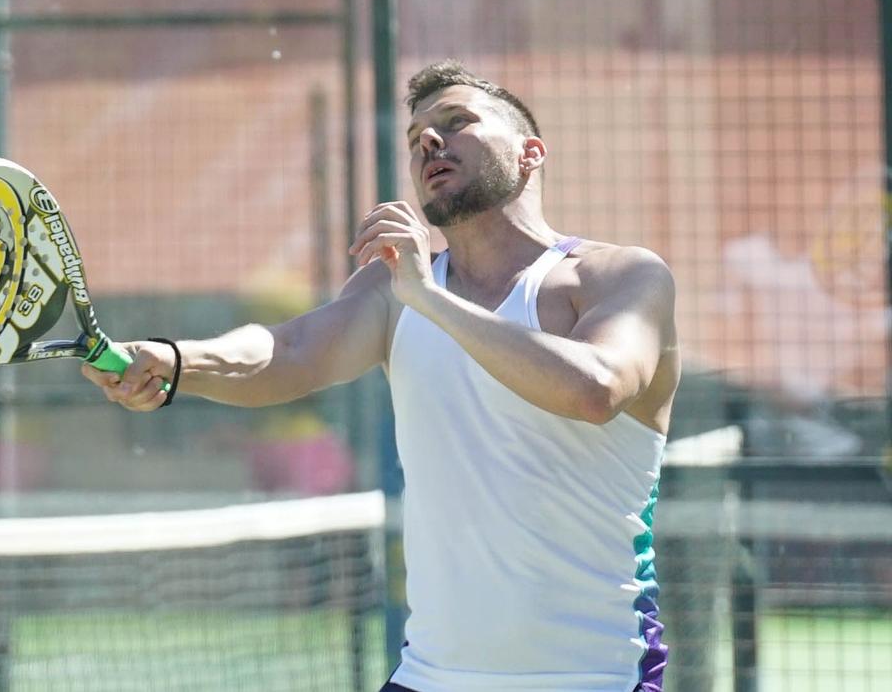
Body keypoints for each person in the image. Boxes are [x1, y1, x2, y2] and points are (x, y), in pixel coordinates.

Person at [84, 60, 679, 692]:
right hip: (428, 677)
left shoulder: (619, 276)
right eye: (417, 134)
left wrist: (429, 297)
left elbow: (595, 390)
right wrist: (180, 362)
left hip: (595, 676)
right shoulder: (394, 290)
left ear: (530, 153)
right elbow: (291, 349)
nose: (429, 141)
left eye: (457, 122)